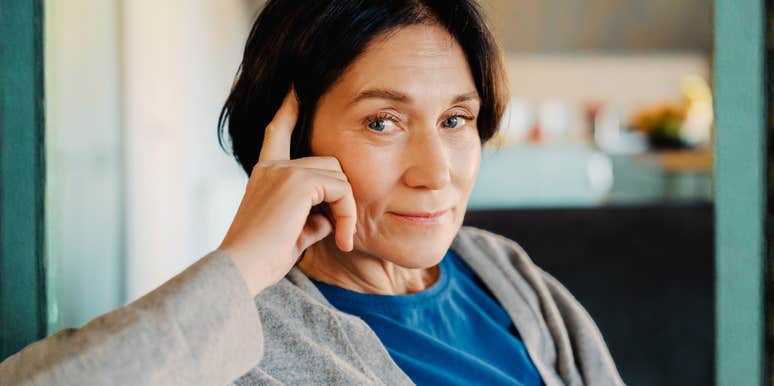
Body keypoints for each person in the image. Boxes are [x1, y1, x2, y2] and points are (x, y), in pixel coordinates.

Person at [0, 0, 624, 385]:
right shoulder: (251, 343)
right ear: (295, 140)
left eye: (455, 120)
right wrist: (241, 266)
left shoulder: (502, 271)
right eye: (383, 122)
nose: (436, 172)